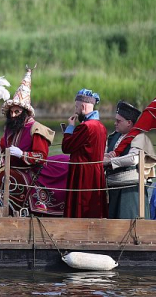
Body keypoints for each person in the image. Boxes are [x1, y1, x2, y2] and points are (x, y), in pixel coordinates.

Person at [0, 66, 68, 215]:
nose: (13, 115)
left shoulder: (36, 129)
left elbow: (41, 156)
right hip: (12, 171)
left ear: (24, 112)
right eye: (11, 112)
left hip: (34, 171)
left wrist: (21, 154)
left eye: (17, 111)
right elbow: (0, 147)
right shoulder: (9, 129)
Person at [103, 101, 156, 219]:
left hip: (130, 190)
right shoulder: (114, 136)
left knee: (129, 222)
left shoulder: (140, 137)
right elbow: (104, 153)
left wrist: (110, 161)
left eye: (118, 121)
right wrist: (106, 156)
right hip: (113, 187)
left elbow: (133, 159)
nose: (115, 123)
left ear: (129, 123)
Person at [62, 89, 108, 218]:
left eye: (76, 107)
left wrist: (70, 127)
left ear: (83, 106)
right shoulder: (102, 127)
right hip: (96, 172)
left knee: (80, 207)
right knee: (93, 207)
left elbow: (66, 147)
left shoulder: (86, 127)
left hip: (83, 173)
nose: (75, 111)